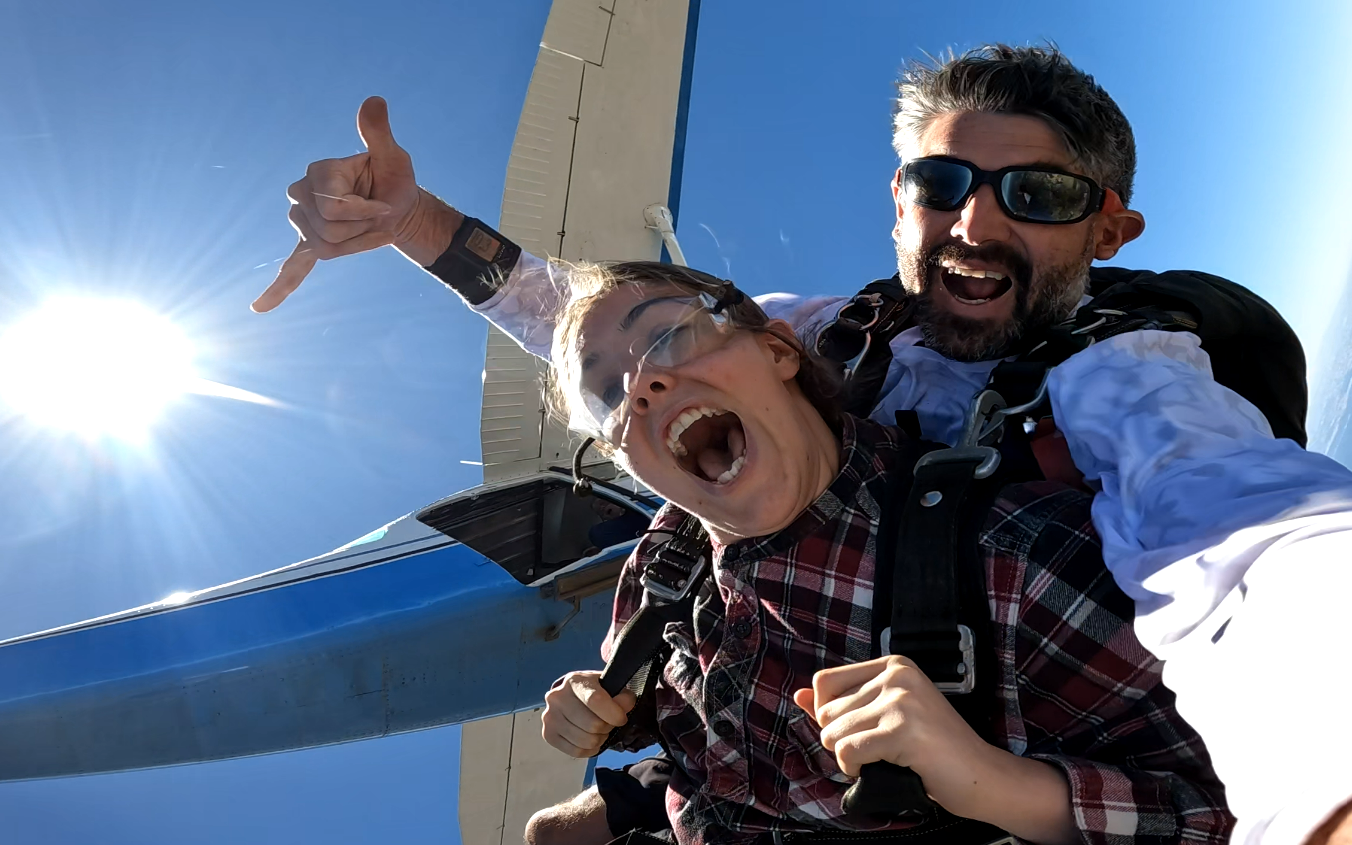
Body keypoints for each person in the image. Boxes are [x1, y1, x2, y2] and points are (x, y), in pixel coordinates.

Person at [254, 46, 1352, 845]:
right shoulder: (811, 334)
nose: (973, 224)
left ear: (1105, 230)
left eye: (1037, 195)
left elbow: (1249, 544)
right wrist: (413, 223)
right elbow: (590, 325)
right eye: (940, 183)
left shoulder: (1127, 383)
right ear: (898, 201)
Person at [536, 259, 1231, 845]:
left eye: (668, 335)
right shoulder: (661, 567)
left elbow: (1239, 807)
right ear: (623, 457)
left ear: (779, 351)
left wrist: (992, 782)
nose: (640, 385)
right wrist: (618, 710)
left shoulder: (1013, 563)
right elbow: (669, 690)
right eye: (606, 392)